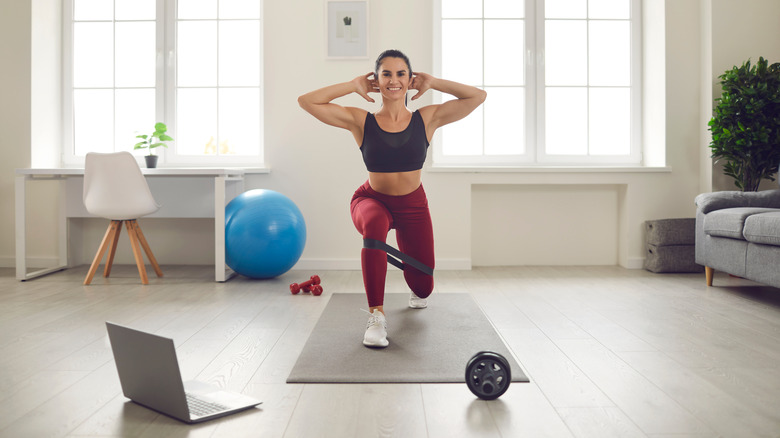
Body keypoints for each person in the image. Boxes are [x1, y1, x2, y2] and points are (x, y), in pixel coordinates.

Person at [298, 49, 486, 348]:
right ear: (377, 80)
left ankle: (417, 285)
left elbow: (477, 96)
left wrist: (433, 82)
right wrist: (353, 85)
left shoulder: (427, 118)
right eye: (386, 73)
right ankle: (376, 317)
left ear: (411, 80)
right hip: (372, 200)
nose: (394, 80)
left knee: (423, 289)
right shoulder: (362, 121)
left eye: (401, 74)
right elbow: (307, 101)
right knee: (373, 226)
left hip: (413, 205)